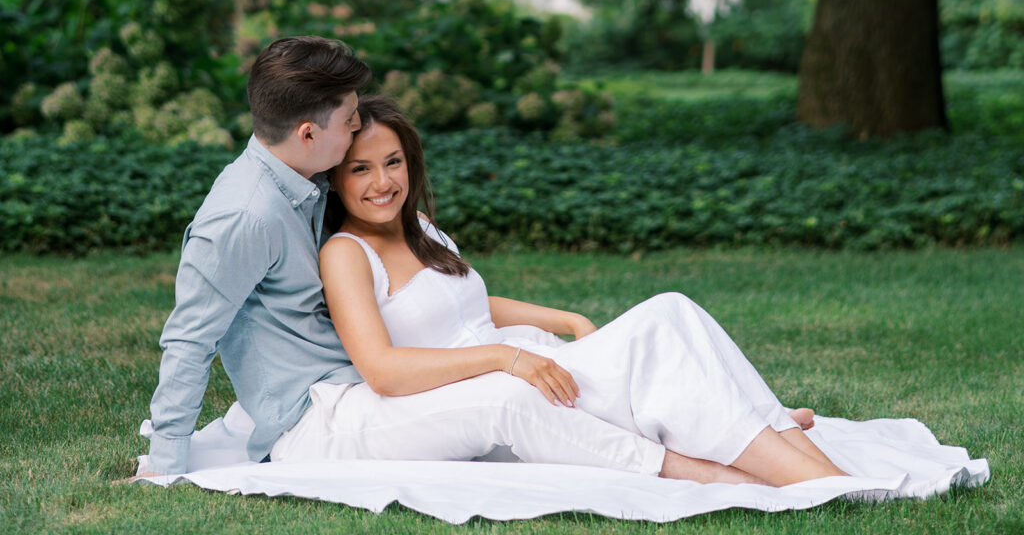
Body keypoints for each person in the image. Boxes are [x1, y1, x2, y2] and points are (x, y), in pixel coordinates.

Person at [270, 95, 849, 486]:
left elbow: (461, 303)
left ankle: (786, 444)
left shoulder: (419, 227)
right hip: (474, 392)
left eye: (393, 162)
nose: (383, 182)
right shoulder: (346, 253)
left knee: (673, 313)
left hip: (519, 359)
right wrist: (506, 357)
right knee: (658, 348)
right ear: (335, 179)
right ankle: (792, 465)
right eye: (361, 169)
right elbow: (382, 370)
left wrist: (565, 318)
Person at [140, 36, 370, 476]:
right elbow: (190, 339)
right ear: (308, 133)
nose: (358, 125)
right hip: (314, 414)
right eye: (348, 119)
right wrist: (164, 464)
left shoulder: (306, 178)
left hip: (356, 379)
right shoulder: (244, 217)